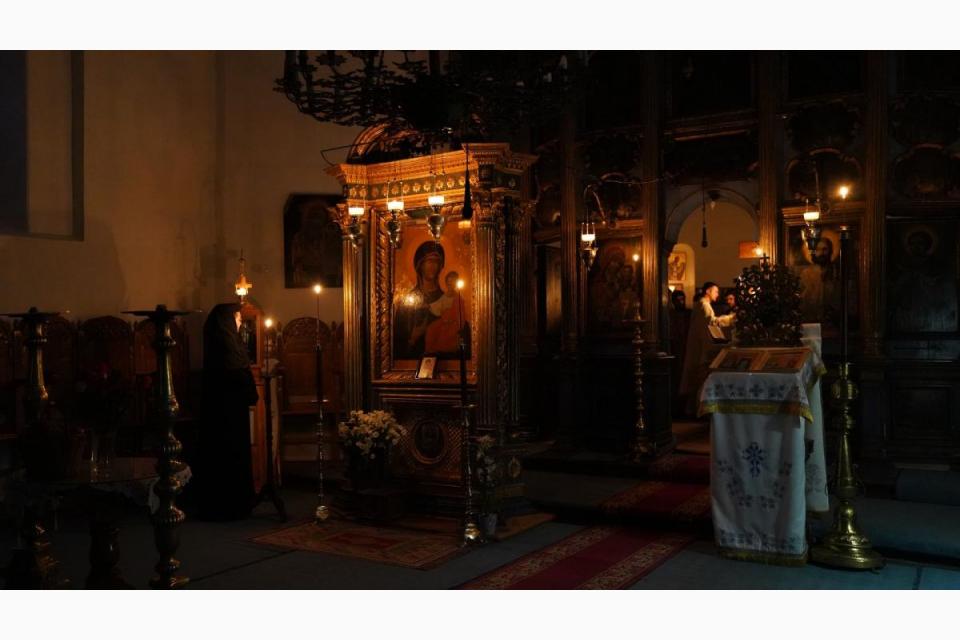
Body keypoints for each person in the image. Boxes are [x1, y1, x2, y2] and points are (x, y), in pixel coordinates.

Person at [192, 303, 260, 521]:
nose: (240, 322)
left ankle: (231, 503)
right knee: (228, 456)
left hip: (228, 411)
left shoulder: (226, 345)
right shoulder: (226, 350)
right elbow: (239, 379)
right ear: (226, 323)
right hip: (227, 414)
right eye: (237, 318)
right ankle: (229, 504)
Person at [678, 281, 736, 417]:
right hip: (701, 347)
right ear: (708, 291)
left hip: (700, 345)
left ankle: (693, 409)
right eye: (715, 291)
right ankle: (698, 411)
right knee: (699, 379)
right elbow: (712, 323)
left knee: (697, 380)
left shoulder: (703, 305)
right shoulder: (703, 305)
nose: (717, 294)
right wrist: (732, 318)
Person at [394, 242, 447, 359]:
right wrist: (413, 338)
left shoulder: (447, 300)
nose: (433, 265)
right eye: (429, 261)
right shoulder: (407, 302)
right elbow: (398, 343)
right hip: (413, 361)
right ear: (420, 265)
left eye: (436, 262)